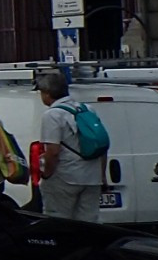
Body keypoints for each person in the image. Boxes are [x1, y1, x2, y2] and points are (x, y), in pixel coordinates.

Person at [37, 69, 106, 221]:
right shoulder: (87, 109)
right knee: (89, 221)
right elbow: (102, 145)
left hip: (66, 177)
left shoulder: (52, 115)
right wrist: (102, 175)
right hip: (92, 177)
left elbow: (53, 151)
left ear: (47, 93)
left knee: (59, 220)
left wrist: (46, 175)